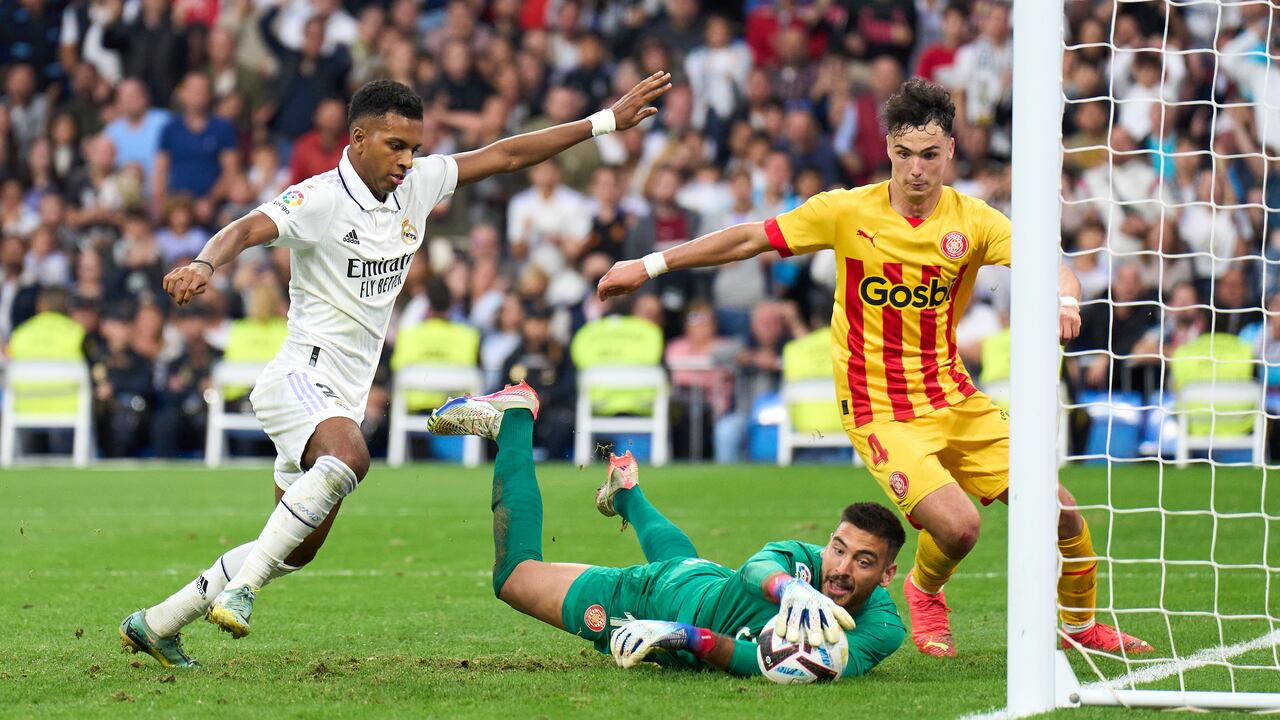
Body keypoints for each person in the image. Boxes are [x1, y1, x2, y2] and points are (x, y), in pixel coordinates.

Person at [118, 73, 672, 668]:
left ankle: (156, 623)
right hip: (300, 378)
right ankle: (243, 590)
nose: (409, 161)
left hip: (342, 395)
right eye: (395, 147)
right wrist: (205, 262)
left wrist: (605, 121)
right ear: (357, 138)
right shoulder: (320, 198)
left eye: (414, 147)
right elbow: (248, 227)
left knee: (297, 549)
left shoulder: (419, 185)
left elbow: (508, 153)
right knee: (350, 457)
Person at [596, 78, 1154, 657]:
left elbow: (1050, 263)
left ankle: (1081, 626)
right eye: (905, 154)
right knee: (960, 527)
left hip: (953, 396)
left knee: (1061, 512)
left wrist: (1066, 300)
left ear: (951, 153)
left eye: (931, 155)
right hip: (878, 408)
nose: (917, 170)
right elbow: (747, 240)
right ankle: (925, 592)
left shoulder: (975, 221)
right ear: (888, 149)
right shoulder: (846, 211)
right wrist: (649, 263)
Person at [425, 388, 906, 678]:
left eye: (862, 561)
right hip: (653, 597)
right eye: (838, 550)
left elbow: (763, 662)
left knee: (678, 562)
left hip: (690, 591)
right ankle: (515, 419)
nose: (839, 569)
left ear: (887, 575)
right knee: (514, 577)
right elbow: (760, 566)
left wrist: (683, 636)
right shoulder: (803, 561)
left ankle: (628, 490)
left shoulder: (882, 629)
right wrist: (791, 587)